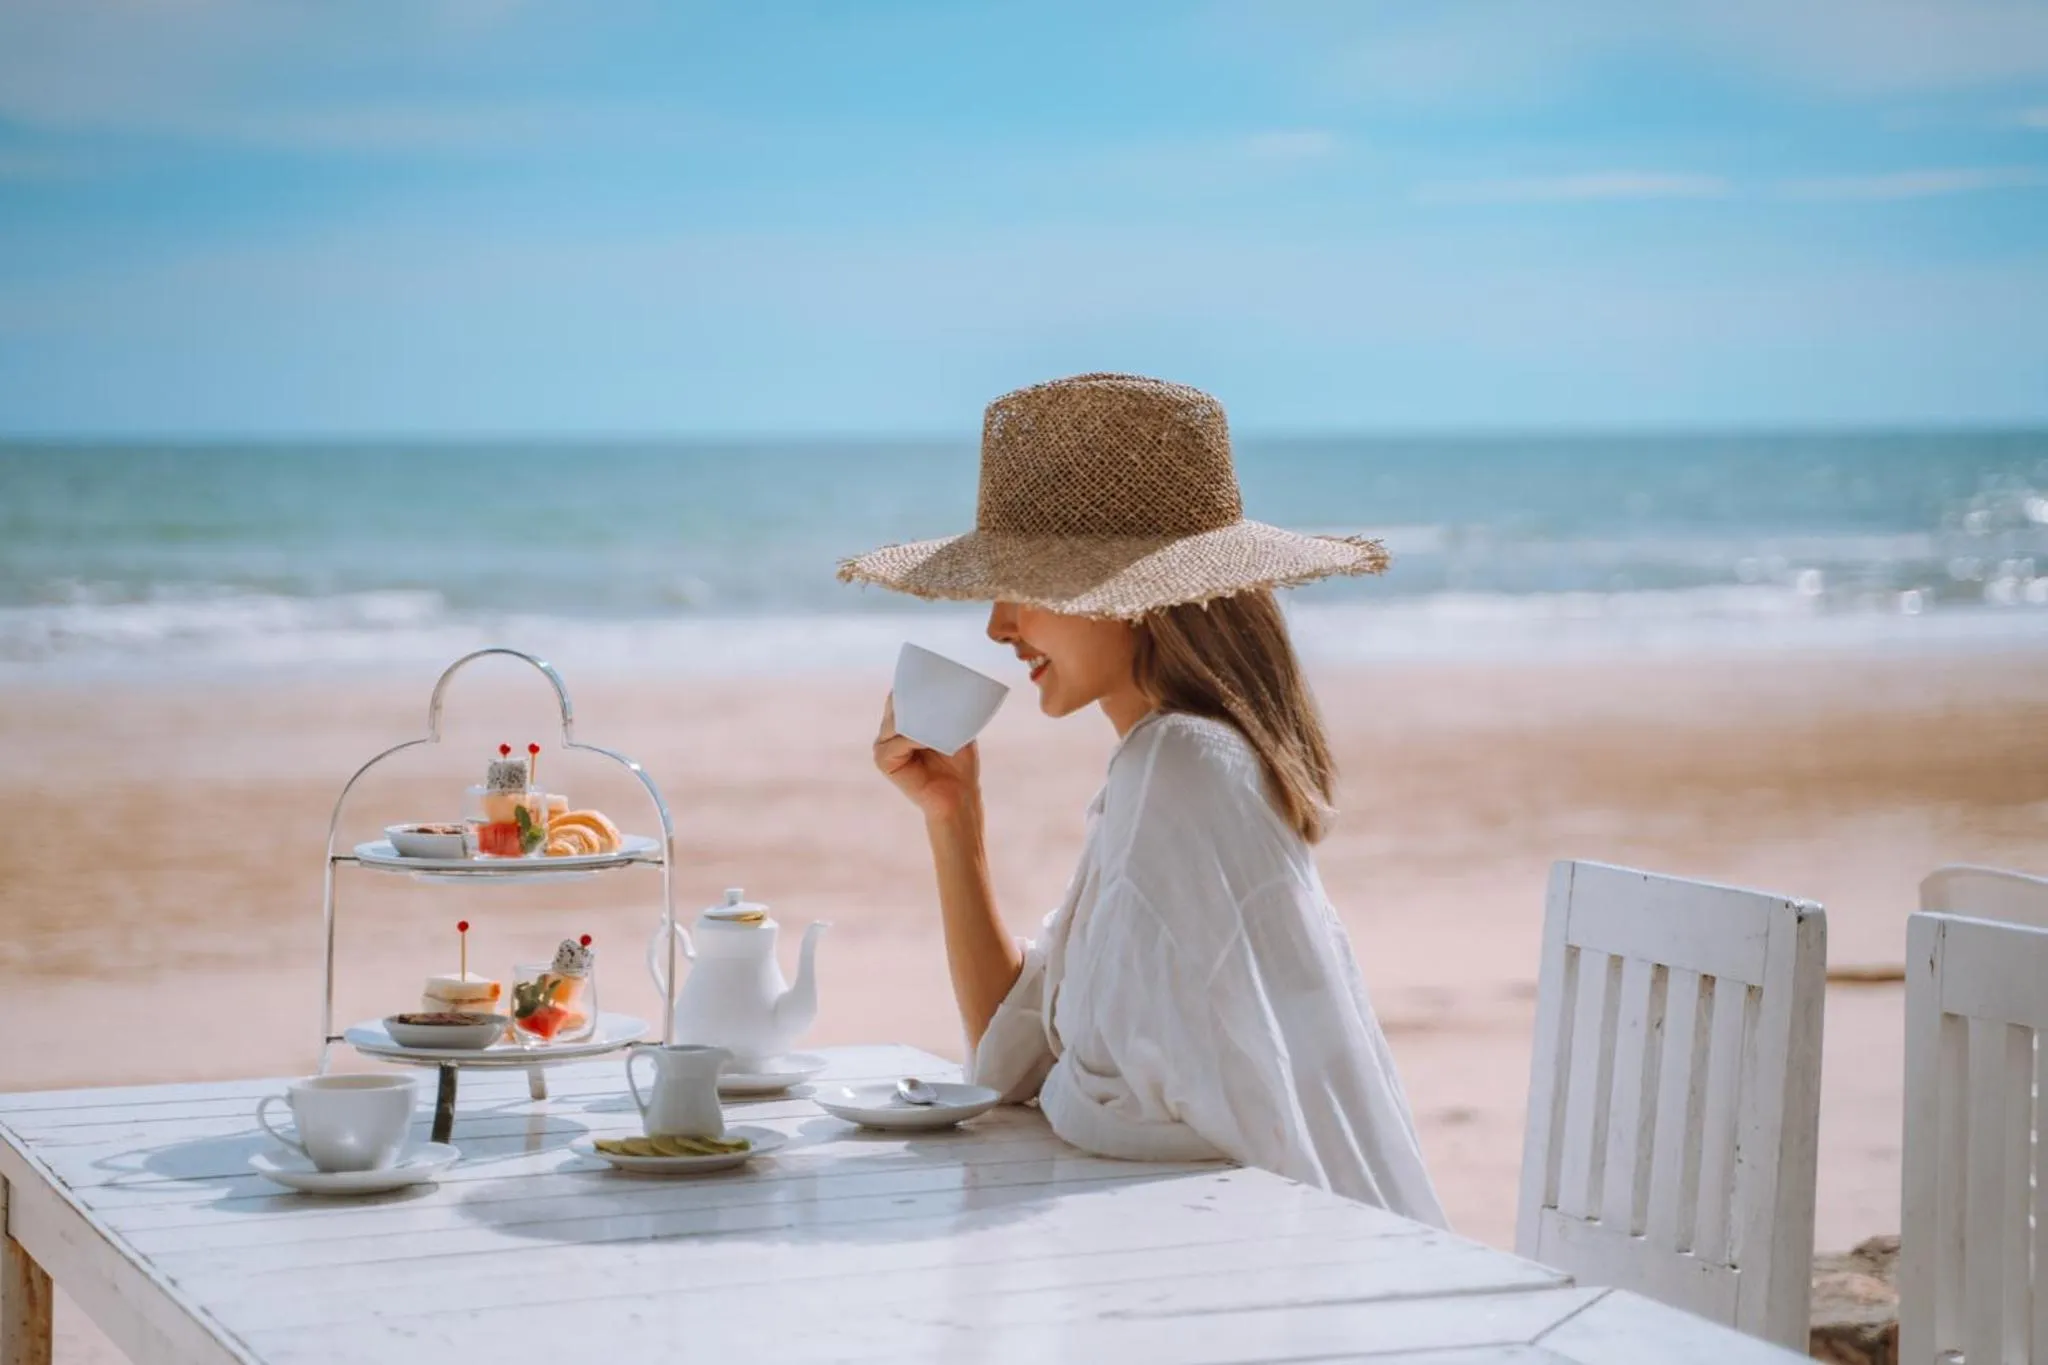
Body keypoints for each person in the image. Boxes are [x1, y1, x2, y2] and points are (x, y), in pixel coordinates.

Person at [839, 372, 1446, 1226]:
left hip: (1301, 1250)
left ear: (1130, 596)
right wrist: (954, 816)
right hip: (1276, 1234)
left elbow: (1123, 1111)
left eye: (1025, 583)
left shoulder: (1182, 766)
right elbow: (1013, 1056)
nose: (998, 625)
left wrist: (1054, 1082)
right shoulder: (1172, 763)